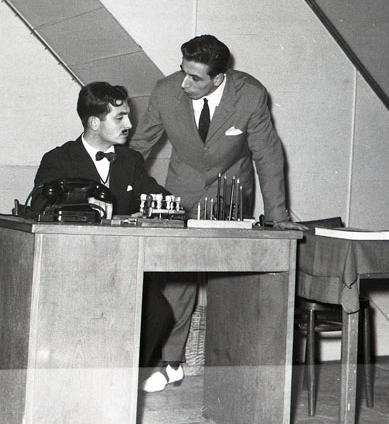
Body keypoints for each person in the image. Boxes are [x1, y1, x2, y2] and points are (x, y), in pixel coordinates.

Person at [130, 34, 305, 392]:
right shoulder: (165, 92)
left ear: (218, 78)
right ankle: (170, 363)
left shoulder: (250, 95)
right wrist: (114, 189)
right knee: (175, 279)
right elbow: (139, 146)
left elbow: (267, 154)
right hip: (181, 190)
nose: (184, 82)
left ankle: (234, 369)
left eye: (195, 77)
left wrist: (277, 215)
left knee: (230, 283)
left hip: (230, 192)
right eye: (183, 71)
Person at [33, 81, 173, 368]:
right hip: (74, 267)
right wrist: (101, 214)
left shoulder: (131, 160)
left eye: (128, 116)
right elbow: (40, 208)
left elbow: (157, 196)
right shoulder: (59, 159)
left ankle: (126, 376)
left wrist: (169, 207)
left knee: (159, 314)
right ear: (94, 122)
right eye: (120, 117)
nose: (129, 124)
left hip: (124, 266)